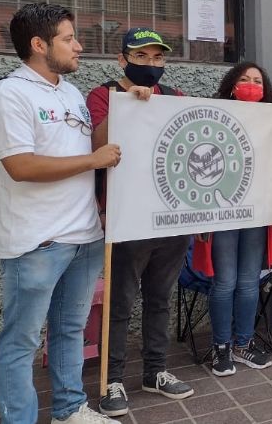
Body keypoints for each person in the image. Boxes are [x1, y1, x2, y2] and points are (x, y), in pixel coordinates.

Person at [0, 3, 121, 423]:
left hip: (83, 237)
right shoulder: (8, 94)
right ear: (39, 45)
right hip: (37, 242)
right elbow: (21, 166)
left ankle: (69, 409)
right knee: (21, 342)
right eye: (68, 38)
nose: (78, 46)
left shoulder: (70, 92)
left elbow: (88, 146)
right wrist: (94, 161)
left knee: (69, 331)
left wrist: (127, 109)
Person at [87, 28, 194, 416]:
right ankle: (112, 379)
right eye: (142, 56)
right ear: (122, 60)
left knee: (160, 299)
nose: (151, 65)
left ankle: (155, 371)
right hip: (127, 218)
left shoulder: (175, 98)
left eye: (158, 58)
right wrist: (124, 106)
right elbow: (96, 146)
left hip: (170, 220)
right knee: (120, 302)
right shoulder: (102, 95)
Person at [202, 62, 272, 376]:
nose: (251, 84)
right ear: (232, 85)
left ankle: (242, 343)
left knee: (248, 282)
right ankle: (221, 348)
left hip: (256, 213)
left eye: (257, 80)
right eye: (244, 79)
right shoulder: (213, 115)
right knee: (225, 282)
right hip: (223, 213)